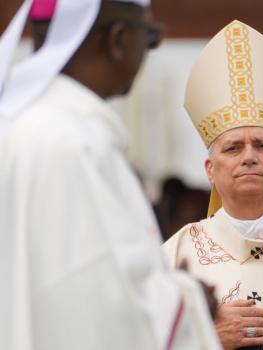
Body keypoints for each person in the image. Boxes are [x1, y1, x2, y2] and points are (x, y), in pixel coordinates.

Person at [0, 1, 220, 349]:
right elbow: (89, 309)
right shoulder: (70, 144)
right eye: (149, 36)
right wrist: (189, 299)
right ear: (118, 40)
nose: (148, 50)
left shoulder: (29, 128)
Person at [163, 20, 263, 350]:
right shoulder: (177, 254)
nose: (249, 157)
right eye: (233, 147)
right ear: (210, 169)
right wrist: (205, 338)